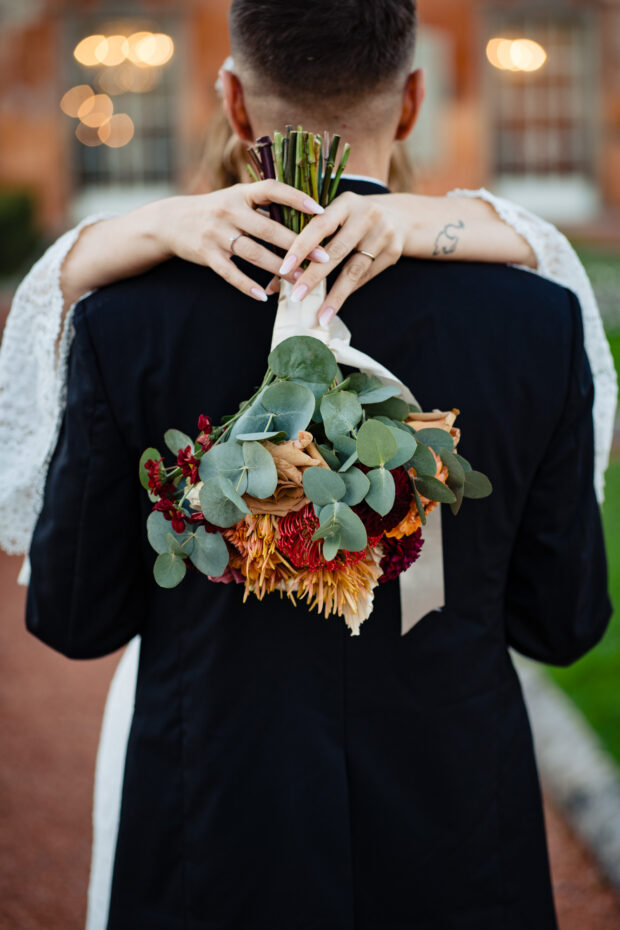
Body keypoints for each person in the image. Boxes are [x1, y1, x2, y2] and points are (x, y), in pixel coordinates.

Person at [1, 1, 616, 927]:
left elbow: (76, 617)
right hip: (456, 836)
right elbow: (561, 623)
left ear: (232, 101)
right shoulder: (539, 317)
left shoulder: (124, 321)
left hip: (211, 829)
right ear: (413, 100)